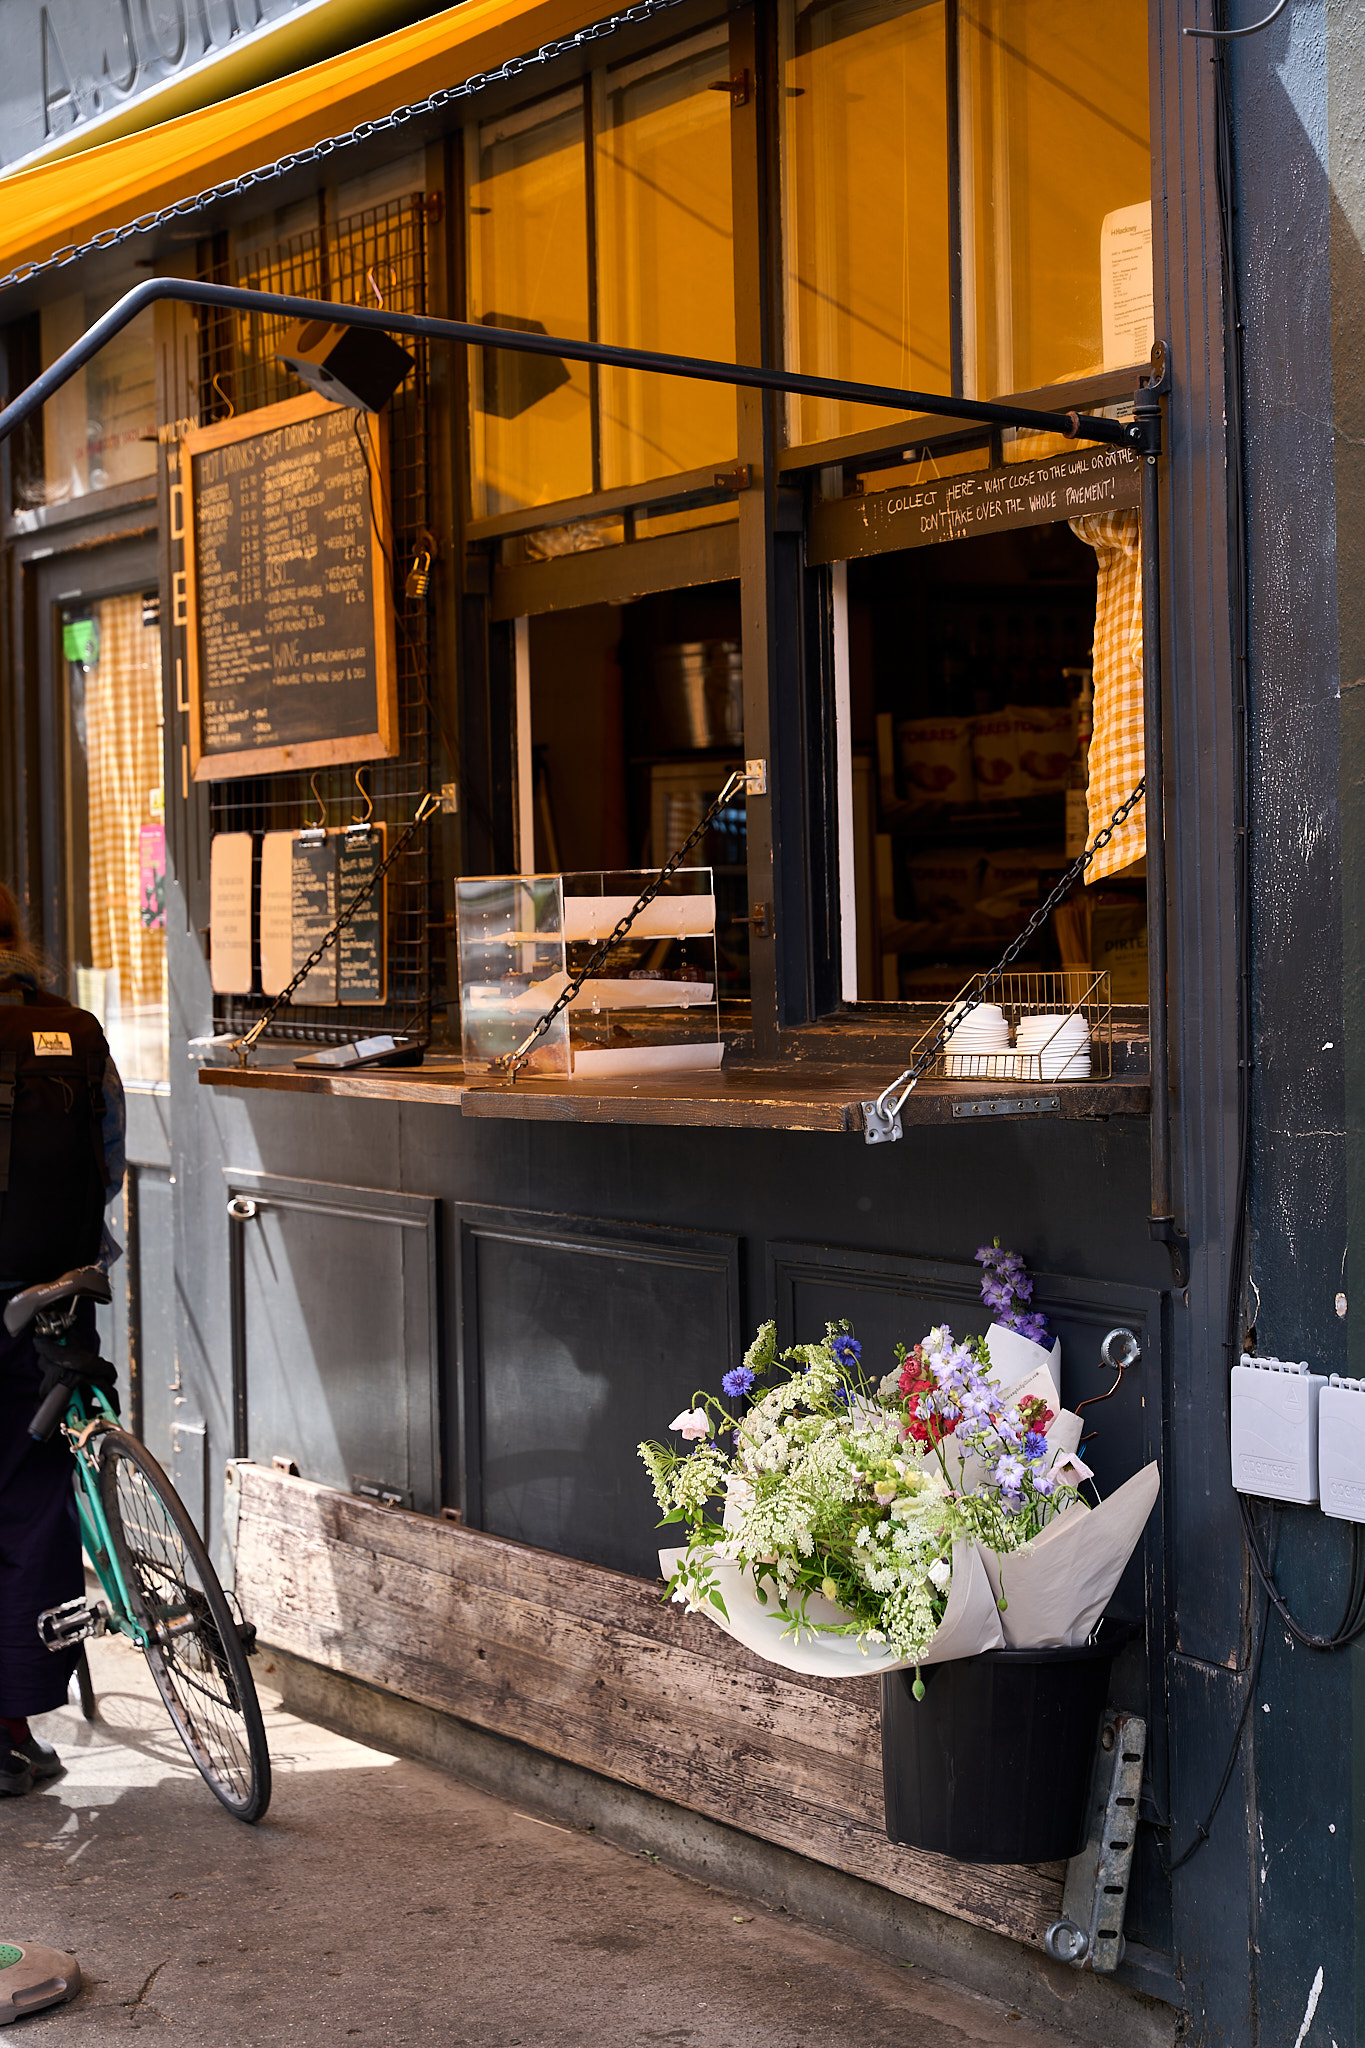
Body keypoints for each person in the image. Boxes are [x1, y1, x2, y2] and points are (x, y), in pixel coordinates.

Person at [0, 883, 124, 1797]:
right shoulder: (75, 1030)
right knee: (36, 1493)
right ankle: (13, 1721)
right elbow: (109, 1161)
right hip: (50, 1300)